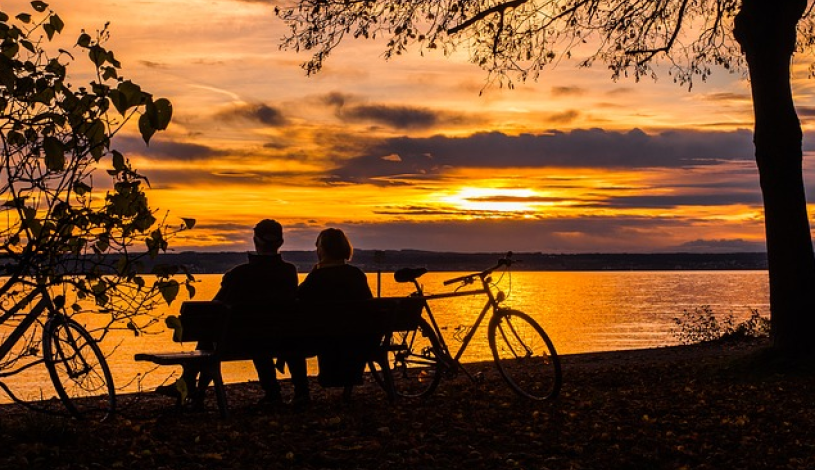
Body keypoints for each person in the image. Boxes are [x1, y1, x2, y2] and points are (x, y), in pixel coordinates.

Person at [157, 219, 303, 406]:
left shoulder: (239, 274)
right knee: (250, 332)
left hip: (240, 342)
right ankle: (270, 392)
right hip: (280, 339)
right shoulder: (289, 272)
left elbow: (214, 308)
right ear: (281, 242)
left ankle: (191, 386)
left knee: (212, 329)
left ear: (255, 240)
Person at [297, 228, 373, 395]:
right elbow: (369, 306)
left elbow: (297, 299)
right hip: (358, 338)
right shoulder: (356, 274)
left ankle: (301, 393)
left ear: (322, 249)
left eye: (318, 246)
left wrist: (315, 270)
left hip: (325, 338)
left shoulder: (317, 278)